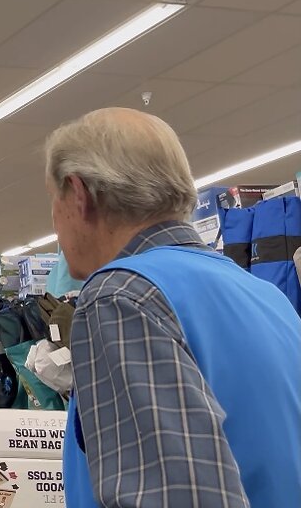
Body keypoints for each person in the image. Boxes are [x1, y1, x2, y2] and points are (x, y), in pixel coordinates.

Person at [45, 107, 301, 507]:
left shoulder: (122, 296)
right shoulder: (267, 298)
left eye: (53, 201)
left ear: (79, 194)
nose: (56, 224)